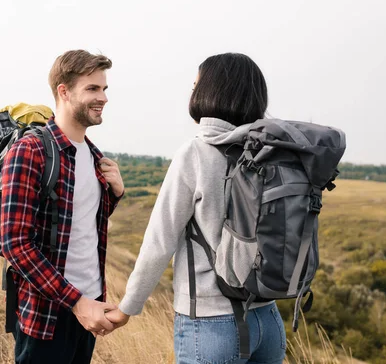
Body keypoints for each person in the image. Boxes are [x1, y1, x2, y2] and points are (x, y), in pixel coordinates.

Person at [106, 53, 287, 363]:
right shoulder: (270, 153)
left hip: (211, 323)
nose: (192, 93)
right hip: (267, 320)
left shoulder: (196, 152)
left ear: (212, 92)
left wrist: (127, 308)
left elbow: (160, 241)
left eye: (195, 85)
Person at [1, 49, 125, 364]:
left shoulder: (96, 157)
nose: (104, 98)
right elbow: (15, 243)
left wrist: (116, 193)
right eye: (93, 89)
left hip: (90, 308)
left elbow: (76, 224)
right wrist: (77, 302)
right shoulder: (30, 151)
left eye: (105, 89)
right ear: (64, 91)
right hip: (48, 314)